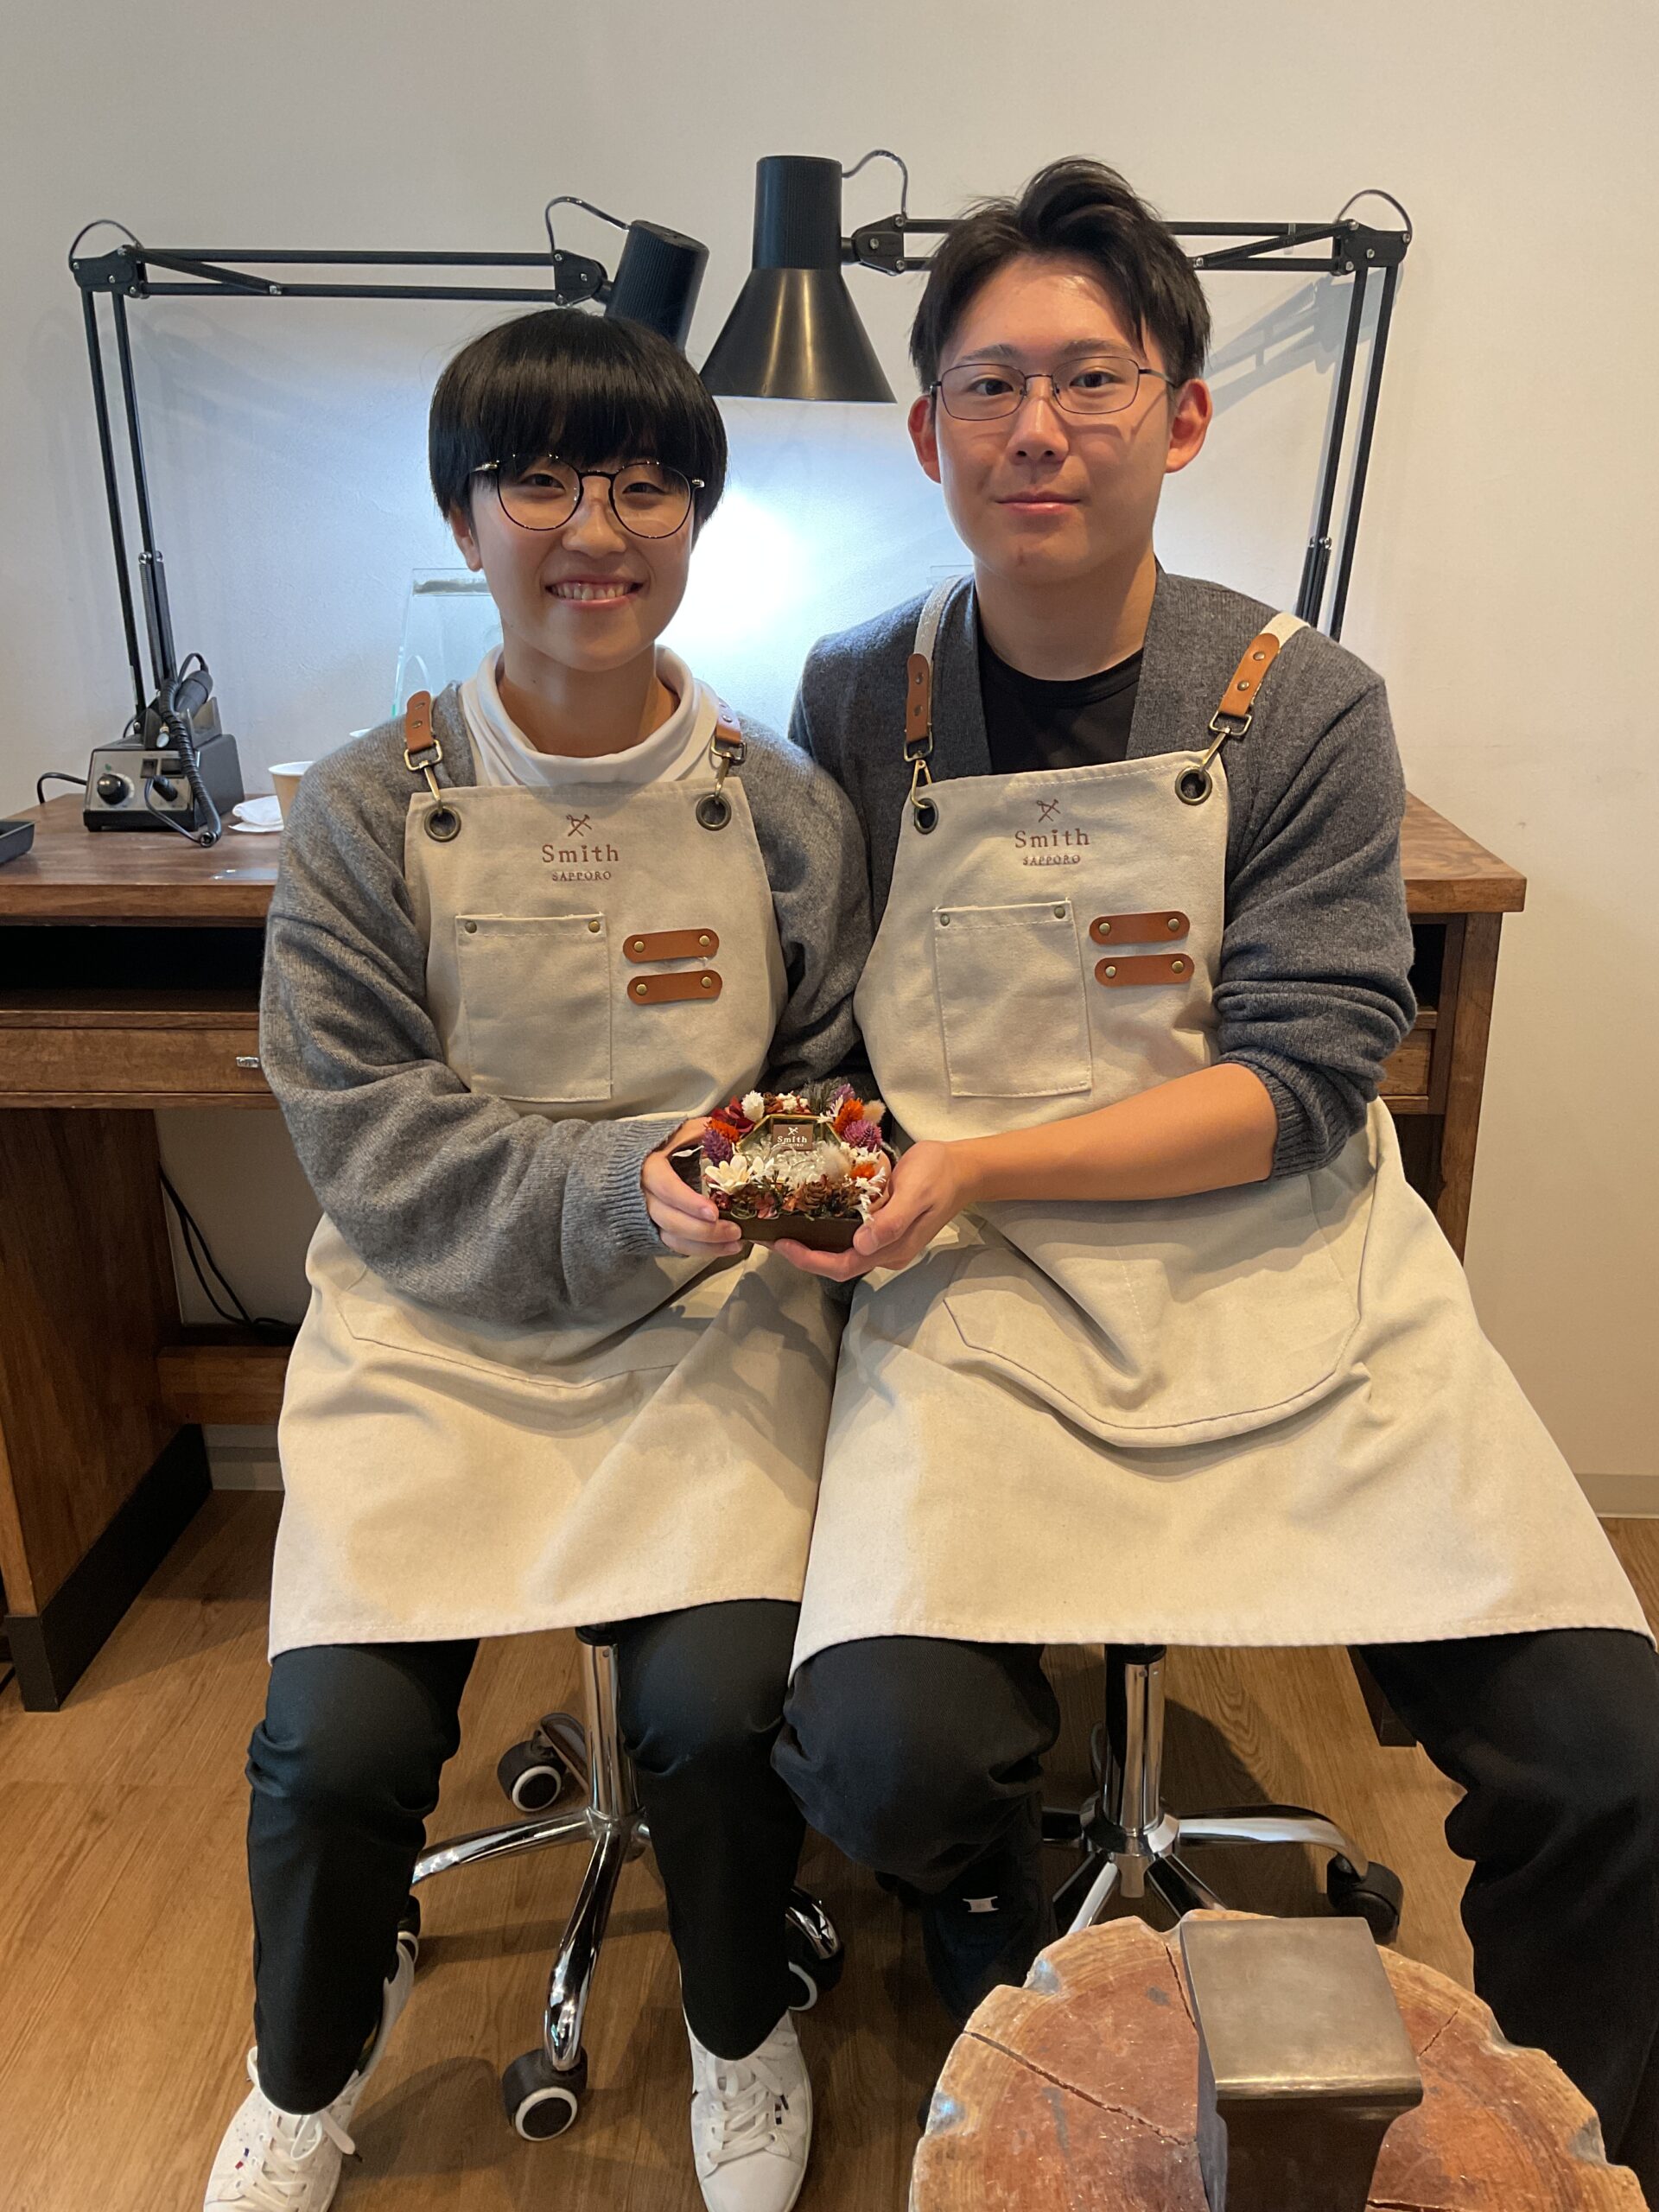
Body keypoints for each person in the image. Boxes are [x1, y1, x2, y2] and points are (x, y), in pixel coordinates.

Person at [765, 159, 1659, 2184]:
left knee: (1617, 1764)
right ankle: (1010, 1939)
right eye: (991, 384)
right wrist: (783, 1174)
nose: (1040, 426)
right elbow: (821, 1037)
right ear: (926, 433)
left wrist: (980, 1157)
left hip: (1291, 1270)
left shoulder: (1301, 701)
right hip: (982, 1289)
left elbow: (1309, 1075)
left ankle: (1554, 2142)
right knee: (885, 1749)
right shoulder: (857, 694)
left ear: (1179, 416)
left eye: (1092, 378)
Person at [202, 308, 869, 2212]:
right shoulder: (365, 807)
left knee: (720, 1713)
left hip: (706, 1325)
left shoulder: (783, 806)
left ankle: (740, 2024)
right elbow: (361, 1123)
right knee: (331, 1752)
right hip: (434, 1331)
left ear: (697, 519)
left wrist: (753, 1189)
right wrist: (615, 1188)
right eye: (544, 480)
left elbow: (833, 1086)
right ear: (463, 515)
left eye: (649, 484)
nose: (598, 527)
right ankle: (307, 2066)